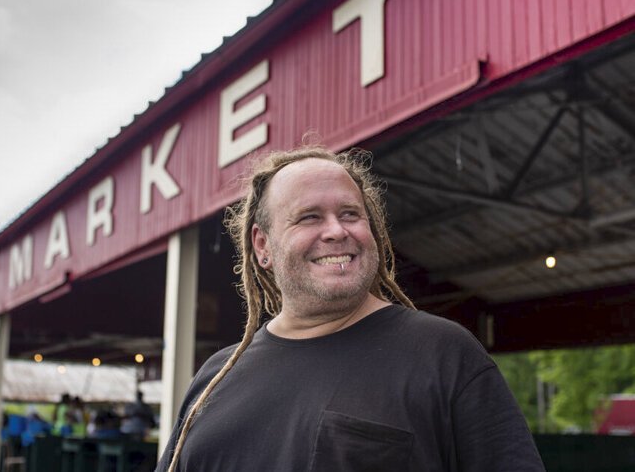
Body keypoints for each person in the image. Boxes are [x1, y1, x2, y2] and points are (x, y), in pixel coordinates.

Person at [156, 147, 545, 471]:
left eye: (350, 214)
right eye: (309, 217)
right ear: (262, 246)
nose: (337, 231)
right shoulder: (214, 376)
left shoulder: (442, 354)